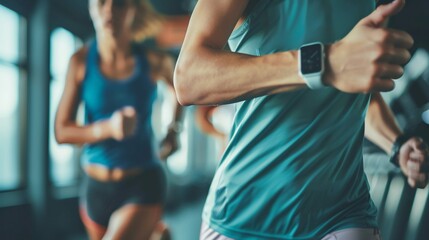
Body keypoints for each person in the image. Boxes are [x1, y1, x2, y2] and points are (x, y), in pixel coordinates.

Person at [174, 0, 429, 239]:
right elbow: (189, 78)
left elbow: (356, 91)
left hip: (345, 210)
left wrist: (397, 144)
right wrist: (322, 62)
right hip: (246, 213)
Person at [54, 0, 183, 239]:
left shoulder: (152, 62)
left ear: (133, 10)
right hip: (95, 188)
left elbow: (179, 89)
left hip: (142, 183)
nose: (109, 9)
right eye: (101, 2)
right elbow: (61, 132)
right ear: (91, 7)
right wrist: (108, 128)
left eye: (120, 3)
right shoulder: (80, 62)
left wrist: (173, 130)